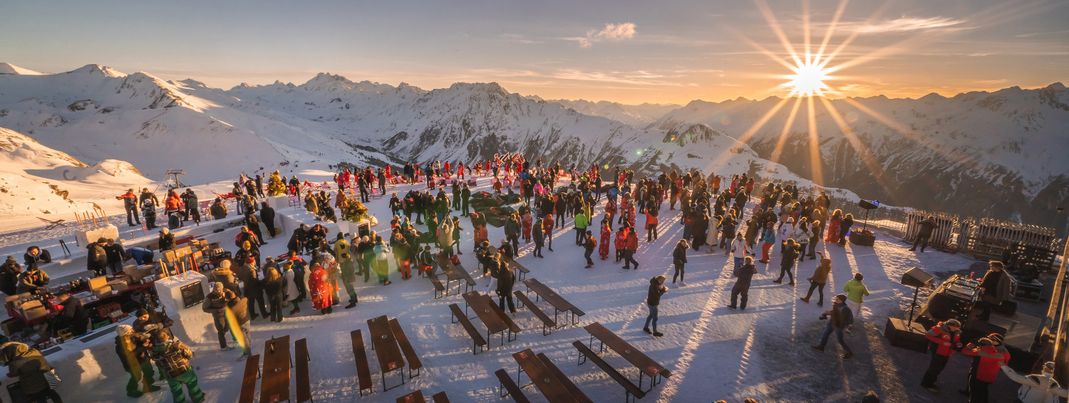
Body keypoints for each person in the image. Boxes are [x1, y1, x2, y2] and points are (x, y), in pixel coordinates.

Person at [151, 332, 205, 403]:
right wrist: (187, 358)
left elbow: (158, 363)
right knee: (192, 383)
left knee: (176, 391)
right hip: (184, 370)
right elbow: (189, 354)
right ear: (167, 337)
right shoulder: (177, 345)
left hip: (170, 375)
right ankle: (198, 398)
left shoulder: (155, 352)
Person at [960, 334, 1010, 403]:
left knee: (975, 393)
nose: (987, 340)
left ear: (996, 341)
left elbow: (965, 351)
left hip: (978, 373)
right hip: (990, 376)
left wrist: (970, 345)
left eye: (990, 339)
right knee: (983, 390)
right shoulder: (1005, 352)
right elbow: (1004, 364)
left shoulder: (986, 349)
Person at [115, 324, 159, 397]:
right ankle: (131, 390)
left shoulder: (132, 337)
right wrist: (142, 347)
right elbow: (130, 355)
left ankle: (148, 386)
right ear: (125, 333)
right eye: (130, 330)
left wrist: (145, 343)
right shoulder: (120, 345)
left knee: (148, 371)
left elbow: (138, 344)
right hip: (131, 364)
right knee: (136, 377)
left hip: (142, 360)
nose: (133, 331)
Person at [920, 319, 962, 392]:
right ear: (950, 325)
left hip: (947, 353)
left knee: (939, 368)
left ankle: (931, 382)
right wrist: (942, 342)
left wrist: (958, 344)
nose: (958, 329)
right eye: (956, 327)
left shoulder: (956, 332)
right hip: (938, 351)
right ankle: (926, 384)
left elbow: (955, 341)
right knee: (934, 368)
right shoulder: (940, 328)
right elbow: (927, 335)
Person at [1002, 361, 1069, 403]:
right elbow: (1066, 394)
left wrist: (1003, 366)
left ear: (1044, 368)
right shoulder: (1054, 384)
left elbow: (1015, 377)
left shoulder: (1035, 378)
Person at [812, 294, 854, 359]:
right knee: (825, 334)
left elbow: (850, 318)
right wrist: (826, 314)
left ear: (842, 301)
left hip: (839, 326)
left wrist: (849, 326)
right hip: (831, 323)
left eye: (838, 299)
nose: (836, 300)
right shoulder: (836, 305)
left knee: (840, 340)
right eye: (836, 298)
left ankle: (849, 352)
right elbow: (834, 312)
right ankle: (821, 347)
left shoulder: (845, 309)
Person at [202, 282, 241, 351]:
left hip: (226, 313)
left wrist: (231, 295)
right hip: (218, 316)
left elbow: (233, 297)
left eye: (219, 289)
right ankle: (223, 347)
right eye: (216, 289)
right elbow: (204, 308)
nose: (218, 290)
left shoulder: (225, 291)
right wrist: (215, 310)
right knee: (221, 331)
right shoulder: (209, 297)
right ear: (214, 289)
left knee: (227, 328)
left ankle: (234, 338)